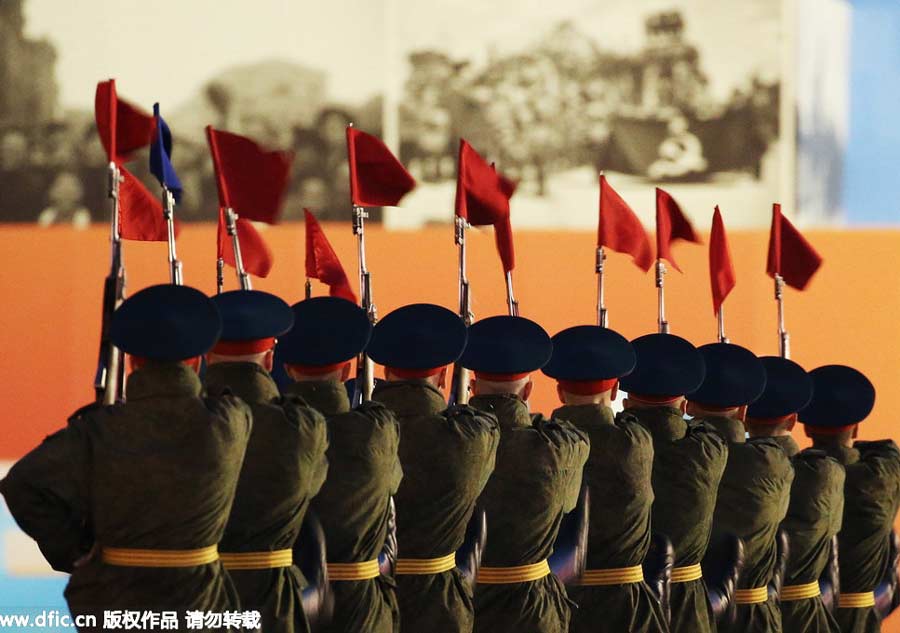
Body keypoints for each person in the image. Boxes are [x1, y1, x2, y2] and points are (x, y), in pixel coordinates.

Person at [0, 284, 251, 631]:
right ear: (196, 361)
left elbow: (21, 483)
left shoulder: (98, 429)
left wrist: (76, 551)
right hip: (202, 602)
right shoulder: (231, 421)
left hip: (116, 600)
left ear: (133, 361)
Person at [367, 303, 501, 633]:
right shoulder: (471, 437)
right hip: (439, 606)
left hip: (364, 603)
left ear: (385, 372)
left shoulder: (357, 431)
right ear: (442, 376)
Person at [205, 290, 329, 633]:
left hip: (193, 594)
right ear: (270, 360)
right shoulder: (303, 427)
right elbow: (315, 484)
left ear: (205, 356)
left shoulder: (180, 421)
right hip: (273, 599)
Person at [458, 316, 589, 633]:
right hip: (532, 610)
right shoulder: (560, 446)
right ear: (528, 390)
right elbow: (569, 507)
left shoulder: (448, 438)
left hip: (458, 603)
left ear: (472, 387)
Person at [279, 296, 403, 633]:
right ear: (347, 372)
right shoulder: (377, 430)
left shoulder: (264, 426)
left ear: (287, 369)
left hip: (284, 601)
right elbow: (393, 484)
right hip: (363, 607)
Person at [542, 325, 669, 633]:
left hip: (558, 599)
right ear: (615, 393)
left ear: (559, 392)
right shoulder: (635, 440)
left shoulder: (544, 443)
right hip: (626, 606)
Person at [618, 333, 727, 633]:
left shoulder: (610, 444)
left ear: (626, 403)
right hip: (687, 602)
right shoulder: (710, 449)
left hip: (622, 603)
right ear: (684, 405)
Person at [689, 343, 793, 633]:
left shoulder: (672, 454)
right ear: (744, 410)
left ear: (687, 404)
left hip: (687, 610)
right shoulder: (773, 463)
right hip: (755, 616)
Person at [745, 357, 843, 633]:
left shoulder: (725, 463)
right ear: (793, 421)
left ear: (743, 414)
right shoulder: (824, 472)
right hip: (804, 615)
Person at [800, 365, 900, 633]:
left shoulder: (794, 473)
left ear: (807, 428)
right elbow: (888, 449)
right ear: (855, 430)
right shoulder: (883, 474)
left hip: (804, 613)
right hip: (861, 616)